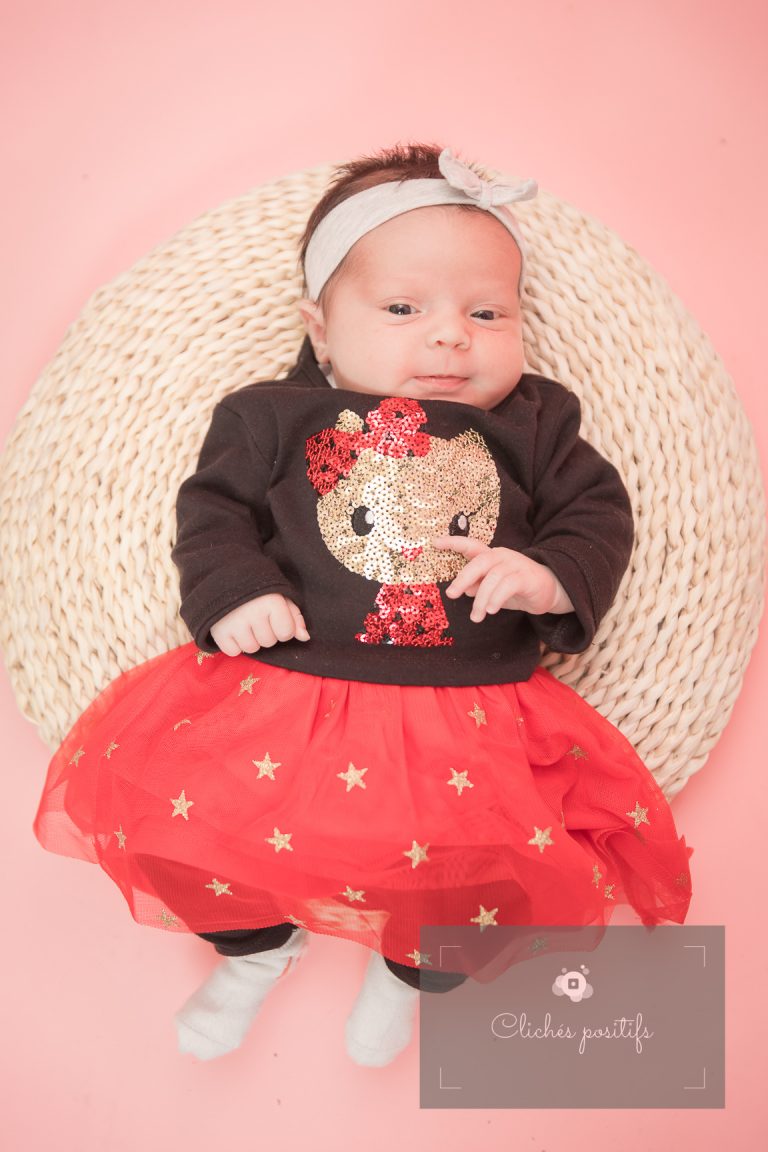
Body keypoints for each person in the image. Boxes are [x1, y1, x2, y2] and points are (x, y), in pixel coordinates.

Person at [33, 143, 693, 1068]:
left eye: (486, 313)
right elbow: (213, 512)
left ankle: (408, 976)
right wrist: (237, 591)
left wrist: (549, 574)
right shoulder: (270, 415)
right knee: (185, 835)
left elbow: (597, 514)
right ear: (322, 329)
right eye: (402, 309)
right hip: (287, 691)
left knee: (481, 879)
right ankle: (254, 951)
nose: (451, 337)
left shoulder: (538, 422)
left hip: (470, 712)